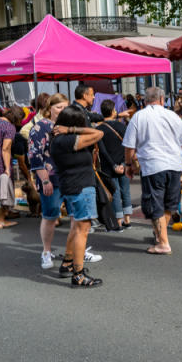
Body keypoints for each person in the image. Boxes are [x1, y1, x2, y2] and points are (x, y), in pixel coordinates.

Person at [29, 93, 98, 269]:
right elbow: (35, 157)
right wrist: (45, 181)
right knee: (50, 215)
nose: (61, 110)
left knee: (77, 218)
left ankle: (75, 253)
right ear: (49, 108)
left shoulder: (70, 126)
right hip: (51, 178)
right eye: (58, 107)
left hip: (71, 178)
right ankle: (46, 251)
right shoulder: (41, 127)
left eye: (64, 107)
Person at [123, 87, 182, 255]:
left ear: (145, 101)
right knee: (169, 203)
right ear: (162, 99)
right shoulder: (174, 116)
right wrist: (179, 158)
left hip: (153, 166)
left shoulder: (139, 116)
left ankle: (163, 243)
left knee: (155, 203)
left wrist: (128, 164)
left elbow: (129, 146)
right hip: (174, 165)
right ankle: (161, 234)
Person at [50, 105, 105, 287]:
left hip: (72, 186)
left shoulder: (58, 140)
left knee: (75, 226)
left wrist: (70, 129)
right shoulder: (66, 140)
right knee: (83, 229)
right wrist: (73, 130)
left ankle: (67, 263)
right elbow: (98, 133)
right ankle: (78, 274)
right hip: (81, 186)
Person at [97, 99, 132, 229]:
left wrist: (113, 165)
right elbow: (128, 146)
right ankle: (127, 220)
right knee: (126, 191)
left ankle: (118, 221)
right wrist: (123, 163)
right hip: (123, 164)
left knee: (114, 192)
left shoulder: (99, 129)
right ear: (113, 111)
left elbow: (103, 151)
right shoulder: (122, 127)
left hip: (108, 166)